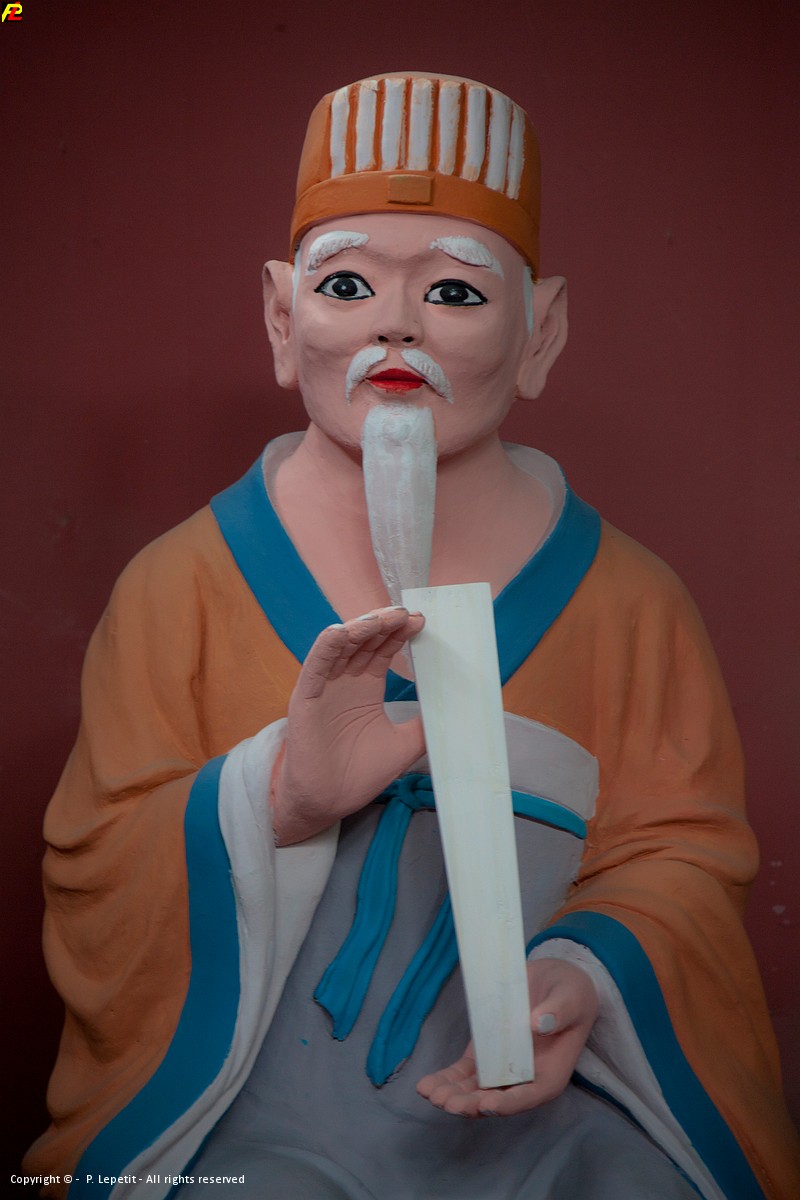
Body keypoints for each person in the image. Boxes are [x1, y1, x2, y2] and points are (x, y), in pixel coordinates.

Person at [26, 73, 800, 1200]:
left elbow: (681, 853)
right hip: (261, 1103)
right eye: (347, 285)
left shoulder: (629, 601)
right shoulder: (178, 587)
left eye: (453, 291)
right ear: (282, 317)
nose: (396, 325)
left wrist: (579, 980)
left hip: (539, 1095)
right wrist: (277, 798)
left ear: (540, 331)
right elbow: (96, 860)